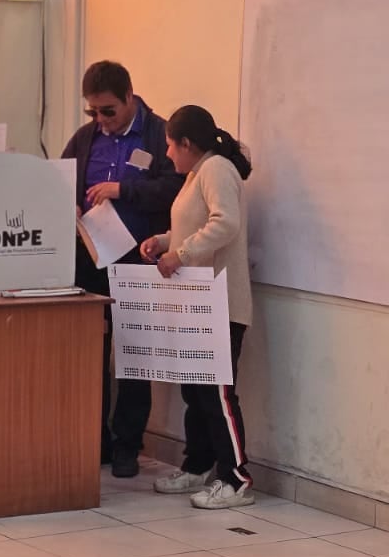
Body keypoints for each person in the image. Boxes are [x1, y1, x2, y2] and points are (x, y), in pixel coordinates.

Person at [60, 60, 184, 479]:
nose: (101, 120)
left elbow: (176, 189)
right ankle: (91, 440)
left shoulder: (158, 135)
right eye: (93, 112)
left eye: (108, 111)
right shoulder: (85, 139)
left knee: (133, 357)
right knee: (87, 352)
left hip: (139, 259)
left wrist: (123, 189)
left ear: (130, 97)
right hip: (90, 261)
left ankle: (127, 445)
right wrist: (69, 203)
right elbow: (59, 181)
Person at [140, 105, 256, 510]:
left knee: (218, 393)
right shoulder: (196, 173)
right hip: (197, 304)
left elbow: (226, 224)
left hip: (220, 304)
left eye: (171, 145)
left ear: (187, 143)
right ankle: (198, 466)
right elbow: (195, 225)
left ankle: (236, 478)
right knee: (196, 390)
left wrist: (182, 254)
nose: (168, 154)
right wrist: (164, 241)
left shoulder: (217, 169)